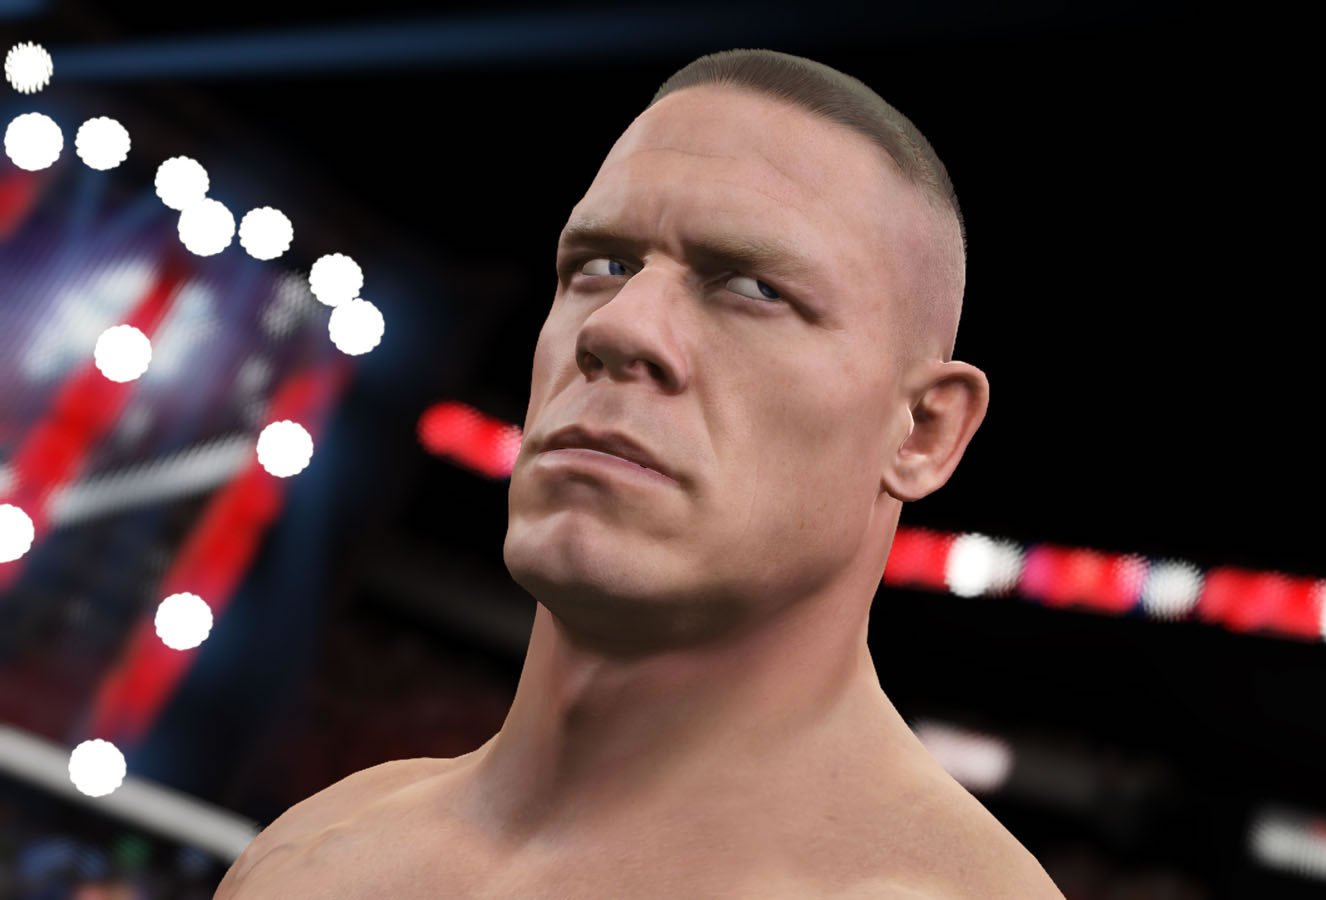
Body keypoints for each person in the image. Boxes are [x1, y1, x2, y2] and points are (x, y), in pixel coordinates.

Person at [217, 47, 1064, 899]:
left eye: (753, 286)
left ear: (922, 432)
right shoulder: (309, 856)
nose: (618, 328)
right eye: (602, 265)